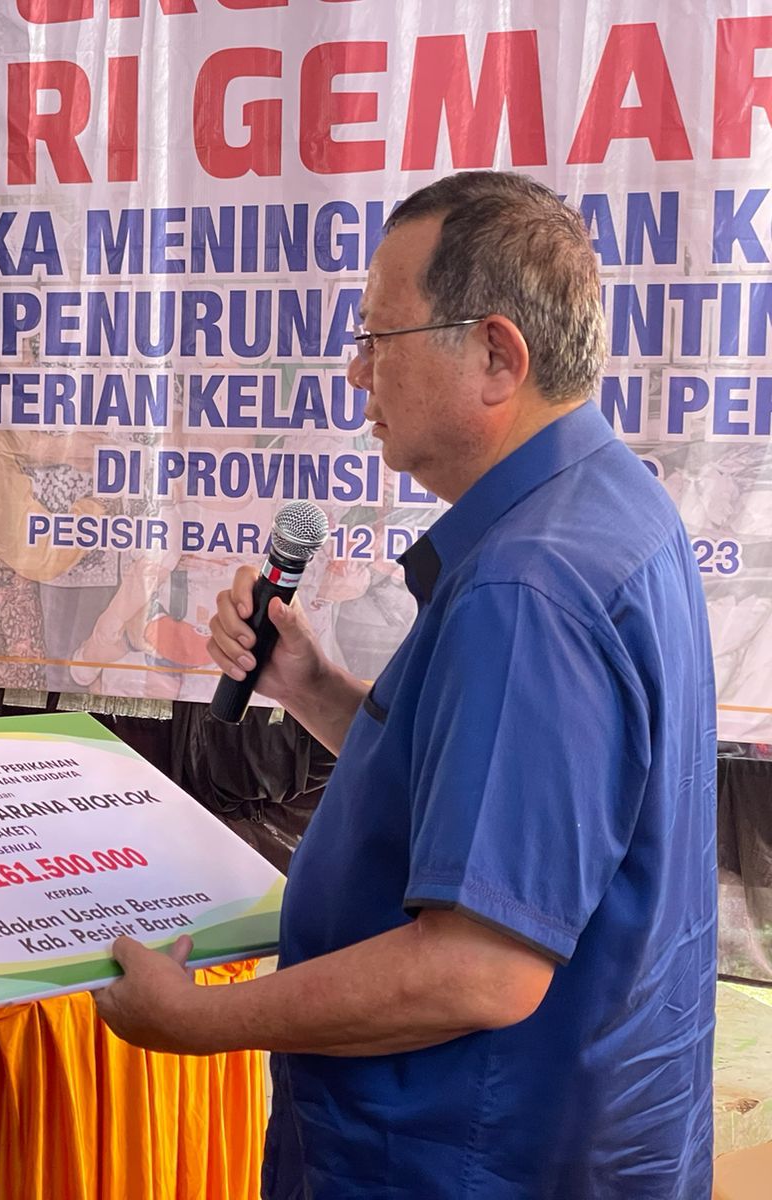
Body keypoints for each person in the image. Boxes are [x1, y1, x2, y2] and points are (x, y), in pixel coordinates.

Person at [96, 171, 716, 1198]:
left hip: (473, 1153)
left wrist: (202, 1021)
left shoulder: (530, 584)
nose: (354, 375)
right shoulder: (608, 508)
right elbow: (523, 811)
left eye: (377, 339)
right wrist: (312, 688)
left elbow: (478, 968)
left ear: (494, 354)